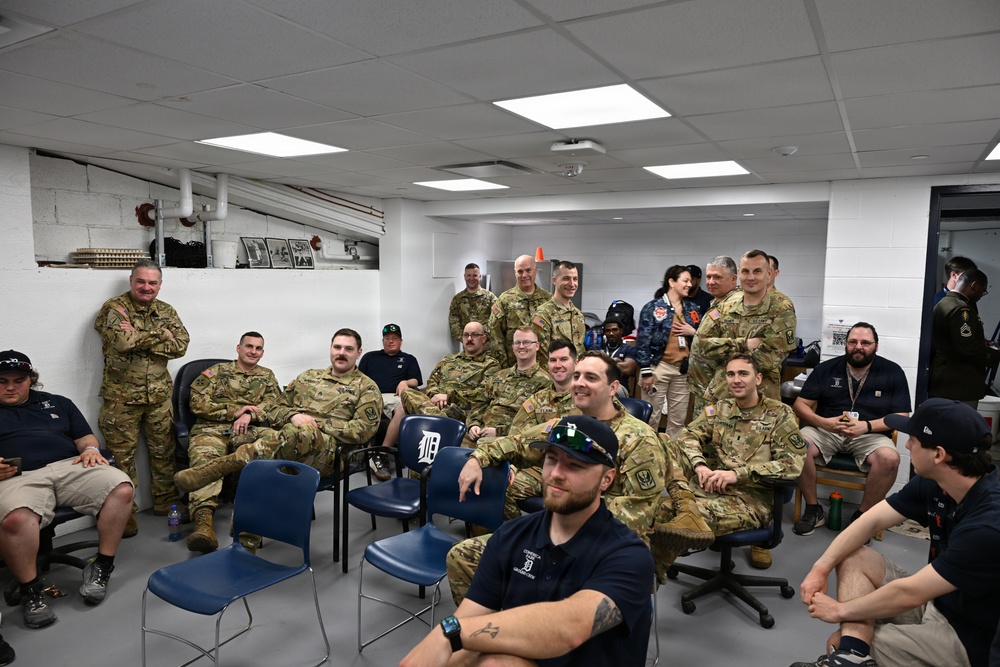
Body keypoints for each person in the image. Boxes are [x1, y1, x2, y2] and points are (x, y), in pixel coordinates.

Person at [401, 415, 654, 667]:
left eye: (574, 465)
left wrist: (449, 634)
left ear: (606, 480)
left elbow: (569, 627)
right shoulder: (510, 538)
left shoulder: (629, 555)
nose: (556, 474)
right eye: (551, 459)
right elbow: (474, 618)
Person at [790, 398, 1000, 667]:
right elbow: (868, 522)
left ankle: (851, 654)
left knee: (843, 638)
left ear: (938, 454)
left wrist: (840, 611)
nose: (908, 445)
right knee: (853, 555)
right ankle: (851, 658)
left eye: (913, 439)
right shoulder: (936, 483)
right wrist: (821, 567)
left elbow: (909, 592)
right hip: (940, 603)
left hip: (968, 636)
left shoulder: (987, 525)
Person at [446, 351, 666, 605]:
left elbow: (636, 516)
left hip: (599, 545)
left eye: (591, 378)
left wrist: (566, 524)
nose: (579, 383)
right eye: (577, 376)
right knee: (462, 555)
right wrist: (478, 458)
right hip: (553, 530)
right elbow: (516, 442)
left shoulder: (640, 438)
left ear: (613, 387)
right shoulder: (567, 425)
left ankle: (524, 630)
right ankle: (494, 633)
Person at [0, 351, 134, 629]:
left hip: (70, 466)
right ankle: (31, 591)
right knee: (16, 519)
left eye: (18, 380)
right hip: (19, 477)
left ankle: (102, 567)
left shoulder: (59, 403)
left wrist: (91, 449)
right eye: (1, 381)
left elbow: (85, 437)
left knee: (121, 488)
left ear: (31, 380)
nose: (10, 387)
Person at [174, 329, 382, 492]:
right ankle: (245, 533)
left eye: (348, 349)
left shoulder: (367, 387)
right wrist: (294, 415)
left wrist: (314, 424)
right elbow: (275, 409)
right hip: (293, 441)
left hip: (333, 453)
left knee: (301, 432)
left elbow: (363, 431)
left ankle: (223, 466)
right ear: (330, 348)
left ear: (359, 353)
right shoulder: (308, 376)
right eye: (337, 347)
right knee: (246, 437)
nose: (341, 353)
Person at [651, 353, 805, 573]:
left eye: (743, 373)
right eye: (730, 374)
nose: (736, 380)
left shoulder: (779, 414)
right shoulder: (720, 408)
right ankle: (682, 505)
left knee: (666, 511)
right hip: (710, 488)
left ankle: (648, 582)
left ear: (758, 379)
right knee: (666, 443)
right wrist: (700, 466)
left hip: (751, 499)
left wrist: (736, 475)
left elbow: (792, 465)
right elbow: (688, 436)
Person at [94, 259, 189, 537]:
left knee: (163, 453)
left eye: (153, 283)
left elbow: (181, 345)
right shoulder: (115, 308)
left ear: (160, 285)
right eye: (141, 281)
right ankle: (126, 515)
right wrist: (161, 334)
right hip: (121, 399)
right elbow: (123, 343)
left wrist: (142, 337)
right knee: (122, 459)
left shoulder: (166, 309)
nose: (146, 287)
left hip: (159, 396)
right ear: (131, 281)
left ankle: (165, 503)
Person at [792, 322, 911, 536]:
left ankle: (862, 517)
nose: (859, 347)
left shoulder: (892, 372)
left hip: (870, 434)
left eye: (865, 343)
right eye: (853, 342)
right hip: (827, 430)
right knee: (798, 445)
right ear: (845, 344)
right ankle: (813, 509)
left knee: (890, 459)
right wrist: (823, 422)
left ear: (876, 345)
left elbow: (901, 417)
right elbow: (800, 405)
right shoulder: (826, 369)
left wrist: (866, 426)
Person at [184, 332, 281, 553]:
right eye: (249, 346)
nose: (253, 351)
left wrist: (249, 416)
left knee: (261, 458)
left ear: (262, 353)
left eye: (258, 348)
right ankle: (203, 524)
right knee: (205, 459)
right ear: (238, 348)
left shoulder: (267, 376)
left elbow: (274, 404)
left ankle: (248, 525)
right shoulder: (217, 372)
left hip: (248, 429)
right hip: (212, 429)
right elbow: (197, 402)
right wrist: (234, 411)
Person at [688, 249, 798, 414]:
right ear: (739, 274)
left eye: (757, 271)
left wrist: (723, 351)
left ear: (769, 274)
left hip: (758, 402)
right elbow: (702, 346)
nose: (751, 277)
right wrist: (744, 344)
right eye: (746, 271)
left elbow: (769, 357)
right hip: (719, 397)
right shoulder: (725, 306)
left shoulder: (781, 308)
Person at [389, 321, 500, 436]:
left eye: (475, 335)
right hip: (434, 405)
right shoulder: (448, 360)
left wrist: (448, 396)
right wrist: (435, 396)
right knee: (407, 393)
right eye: (466, 335)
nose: (469, 338)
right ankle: (441, 422)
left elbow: (483, 394)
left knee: (439, 410)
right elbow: (432, 381)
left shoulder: (491, 365)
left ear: (484, 338)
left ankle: (435, 421)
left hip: (461, 410)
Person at [636, 265, 700, 437]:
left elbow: (703, 339)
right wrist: (646, 371)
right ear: (672, 282)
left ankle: (673, 458)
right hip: (658, 368)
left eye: (690, 281)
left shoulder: (693, 310)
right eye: (685, 281)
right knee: (651, 417)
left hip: (682, 371)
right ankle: (650, 456)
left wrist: (693, 332)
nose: (689, 284)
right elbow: (642, 341)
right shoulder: (653, 308)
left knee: (678, 420)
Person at [464, 327, 552, 446]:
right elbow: (480, 403)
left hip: (510, 440)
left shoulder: (545, 382)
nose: (521, 346)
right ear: (513, 346)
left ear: (537, 346)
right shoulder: (499, 376)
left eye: (526, 342)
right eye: (517, 342)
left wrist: (499, 432)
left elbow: (536, 424)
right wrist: (473, 424)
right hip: (480, 433)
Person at [358, 323, 423, 480]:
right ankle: (368, 453)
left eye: (395, 338)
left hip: (394, 397)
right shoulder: (370, 357)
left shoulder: (408, 359)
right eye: (387, 338)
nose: (391, 341)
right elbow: (357, 379)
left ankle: (382, 453)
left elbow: (417, 380)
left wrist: (406, 382)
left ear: (401, 341)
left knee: (402, 407)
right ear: (383, 341)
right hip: (371, 396)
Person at [929, 268, 1000, 407]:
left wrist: (980, 342)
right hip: (958, 385)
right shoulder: (961, 309)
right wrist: (995, 354)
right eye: (983, 290)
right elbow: (967, 347)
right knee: (961, 426)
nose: (982, 294)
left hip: (945, 380)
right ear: (974, 285)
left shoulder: (944, 303)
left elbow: (955, 339)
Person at [487, 255, 552, 367]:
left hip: (544, 368)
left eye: (528, 270)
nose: (524, 275)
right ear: (515, 273)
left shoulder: (548, 299)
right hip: (514, 369)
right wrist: (503, 368)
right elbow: (495, 336)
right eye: (520, 271)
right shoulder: (504, 300)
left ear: (536, 270)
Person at [531, 260, 586, 362]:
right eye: (566, 278)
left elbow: (580, 351)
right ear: (554, 280)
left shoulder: (578, 315)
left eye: (575, 279)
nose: (572, 284)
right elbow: (542, 357)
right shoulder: (543, 315)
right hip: (553, 375)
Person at [449, 263, 496, 343]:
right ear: (464, 277)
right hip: (468, 347)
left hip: (487, 345)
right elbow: (454, 323)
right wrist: (465, 339)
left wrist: (484, 337)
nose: (471, 278)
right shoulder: (458, 299)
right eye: (469, 275)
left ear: (480, 277)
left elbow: (496, 320)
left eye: (474, 275)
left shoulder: (490, 297)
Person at [599, 317, 638, 397]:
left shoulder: (629, 349)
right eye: (608, 331)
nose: (611, 333)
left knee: (608, 392)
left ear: (621, 331)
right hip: (598, 383)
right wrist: (616, 361)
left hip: (619, 386)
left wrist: (601, 362)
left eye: (615, 330)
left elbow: (627, 369)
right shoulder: (596, 348)